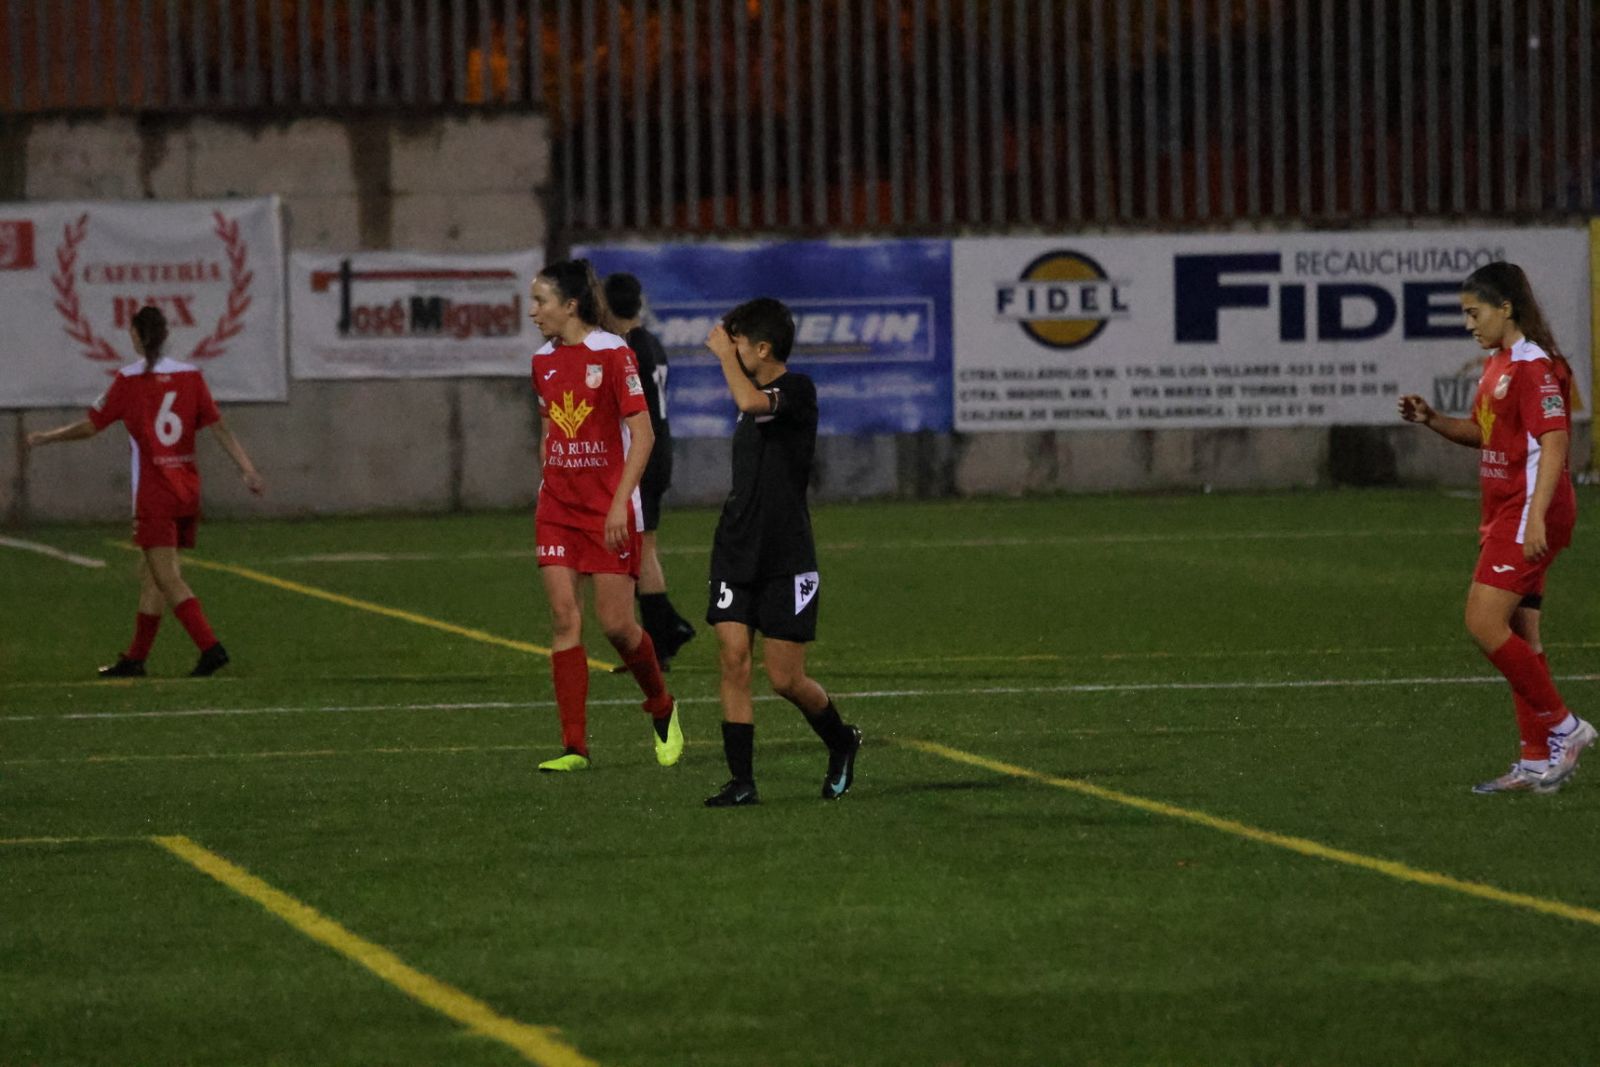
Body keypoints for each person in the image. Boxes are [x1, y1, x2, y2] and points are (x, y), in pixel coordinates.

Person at [1399, 261, 1594, 794]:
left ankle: (1565, 728)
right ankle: (1535, 759)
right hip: (1508, 511)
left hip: (1532, 511)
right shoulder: (1497, 365)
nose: (1469, 323)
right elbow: (1489, 437)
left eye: (1474, 312)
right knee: (1522, 635)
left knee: (1483, 622)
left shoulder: (1534, 365)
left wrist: (1533, 518)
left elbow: (1556, 442)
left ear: (1506, 307)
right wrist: (1434, 419)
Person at [25, 305, 263, 677]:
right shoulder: (191, 376)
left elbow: (91, 425)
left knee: (166, 577)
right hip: (186, 490)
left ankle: (210, 647)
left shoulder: (129, 380)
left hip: (155, 493)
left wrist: (45, 438)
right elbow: (220, 427)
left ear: (136, 335)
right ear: (165, 335)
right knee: (152, 574)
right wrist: (247, 469)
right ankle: (136, 659)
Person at [701, 297, 860, 807]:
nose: (734, 350)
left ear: (763, 348)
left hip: (785, 556)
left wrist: (724, 355)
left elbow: (750, 402)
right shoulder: (749, 395)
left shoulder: (797, 391)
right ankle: (742, 781)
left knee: (785, 678)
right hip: (734, 548)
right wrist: (731, 352)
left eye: (742, 343)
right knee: (732, 660)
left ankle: (841, 740)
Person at [529, 258, 682, 772]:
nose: (533, 313)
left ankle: (662, 705)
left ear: (569, 305)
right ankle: (575, 747)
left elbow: (644, 434)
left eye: (540, 302)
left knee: (617, 624)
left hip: (609, 507)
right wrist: (546, 479)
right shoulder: (541, 362)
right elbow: (551, 426)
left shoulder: (614, 354)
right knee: (563, 619)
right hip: (558, 508)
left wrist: (620, 503)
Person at [602, 272, 697, 670]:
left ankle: (664, 631)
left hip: (644, 452)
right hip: (661, 447)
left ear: (607, 306)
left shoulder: (629, 350)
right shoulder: (652, 343)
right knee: (644, 546)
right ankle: (662, 636)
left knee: (634, 547)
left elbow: (630, 411)